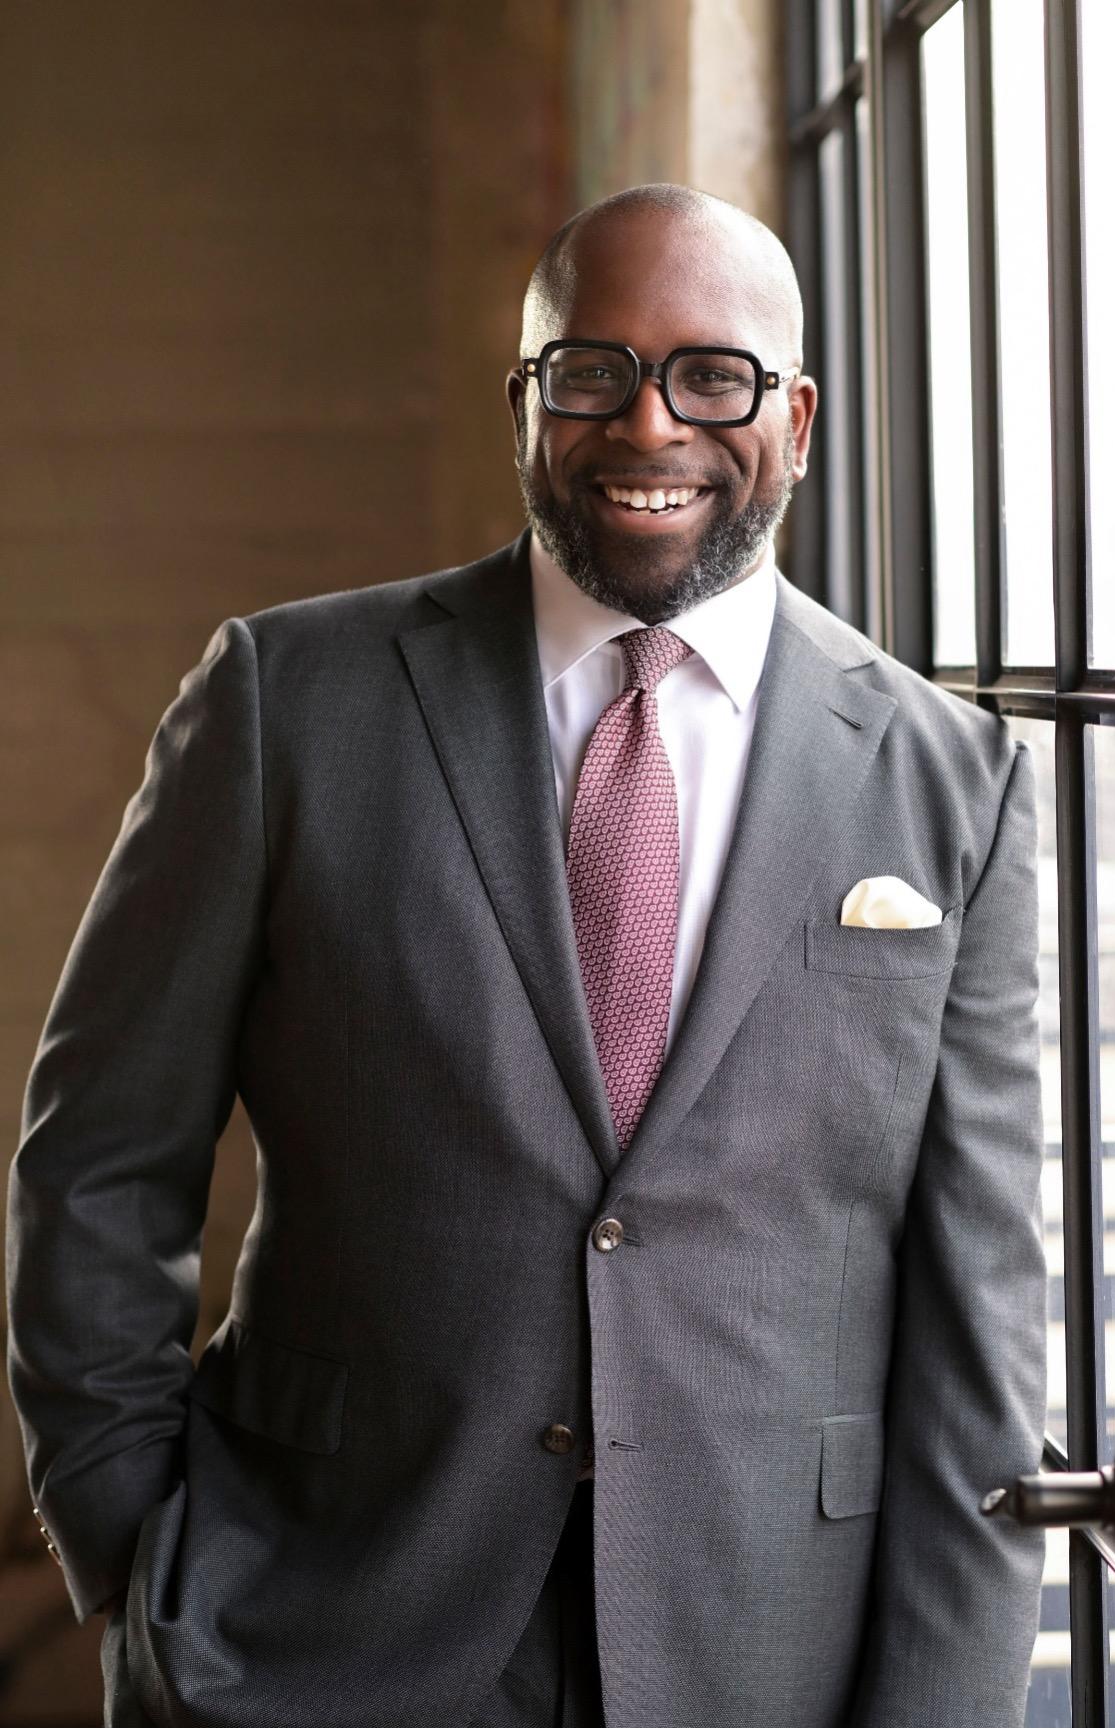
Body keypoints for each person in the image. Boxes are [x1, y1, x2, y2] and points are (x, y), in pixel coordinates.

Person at [7, 183, 1048, 1729]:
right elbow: (98, 1154)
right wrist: (132, 1548)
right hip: (311, 1635)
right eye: (591, 370)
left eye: (713, 374)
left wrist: (945, 1708)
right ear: (525, 402)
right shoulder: (286, 704)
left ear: (802, 415)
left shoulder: (954, 780)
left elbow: (981, 1308)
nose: (650, 424)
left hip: (766, 1655)